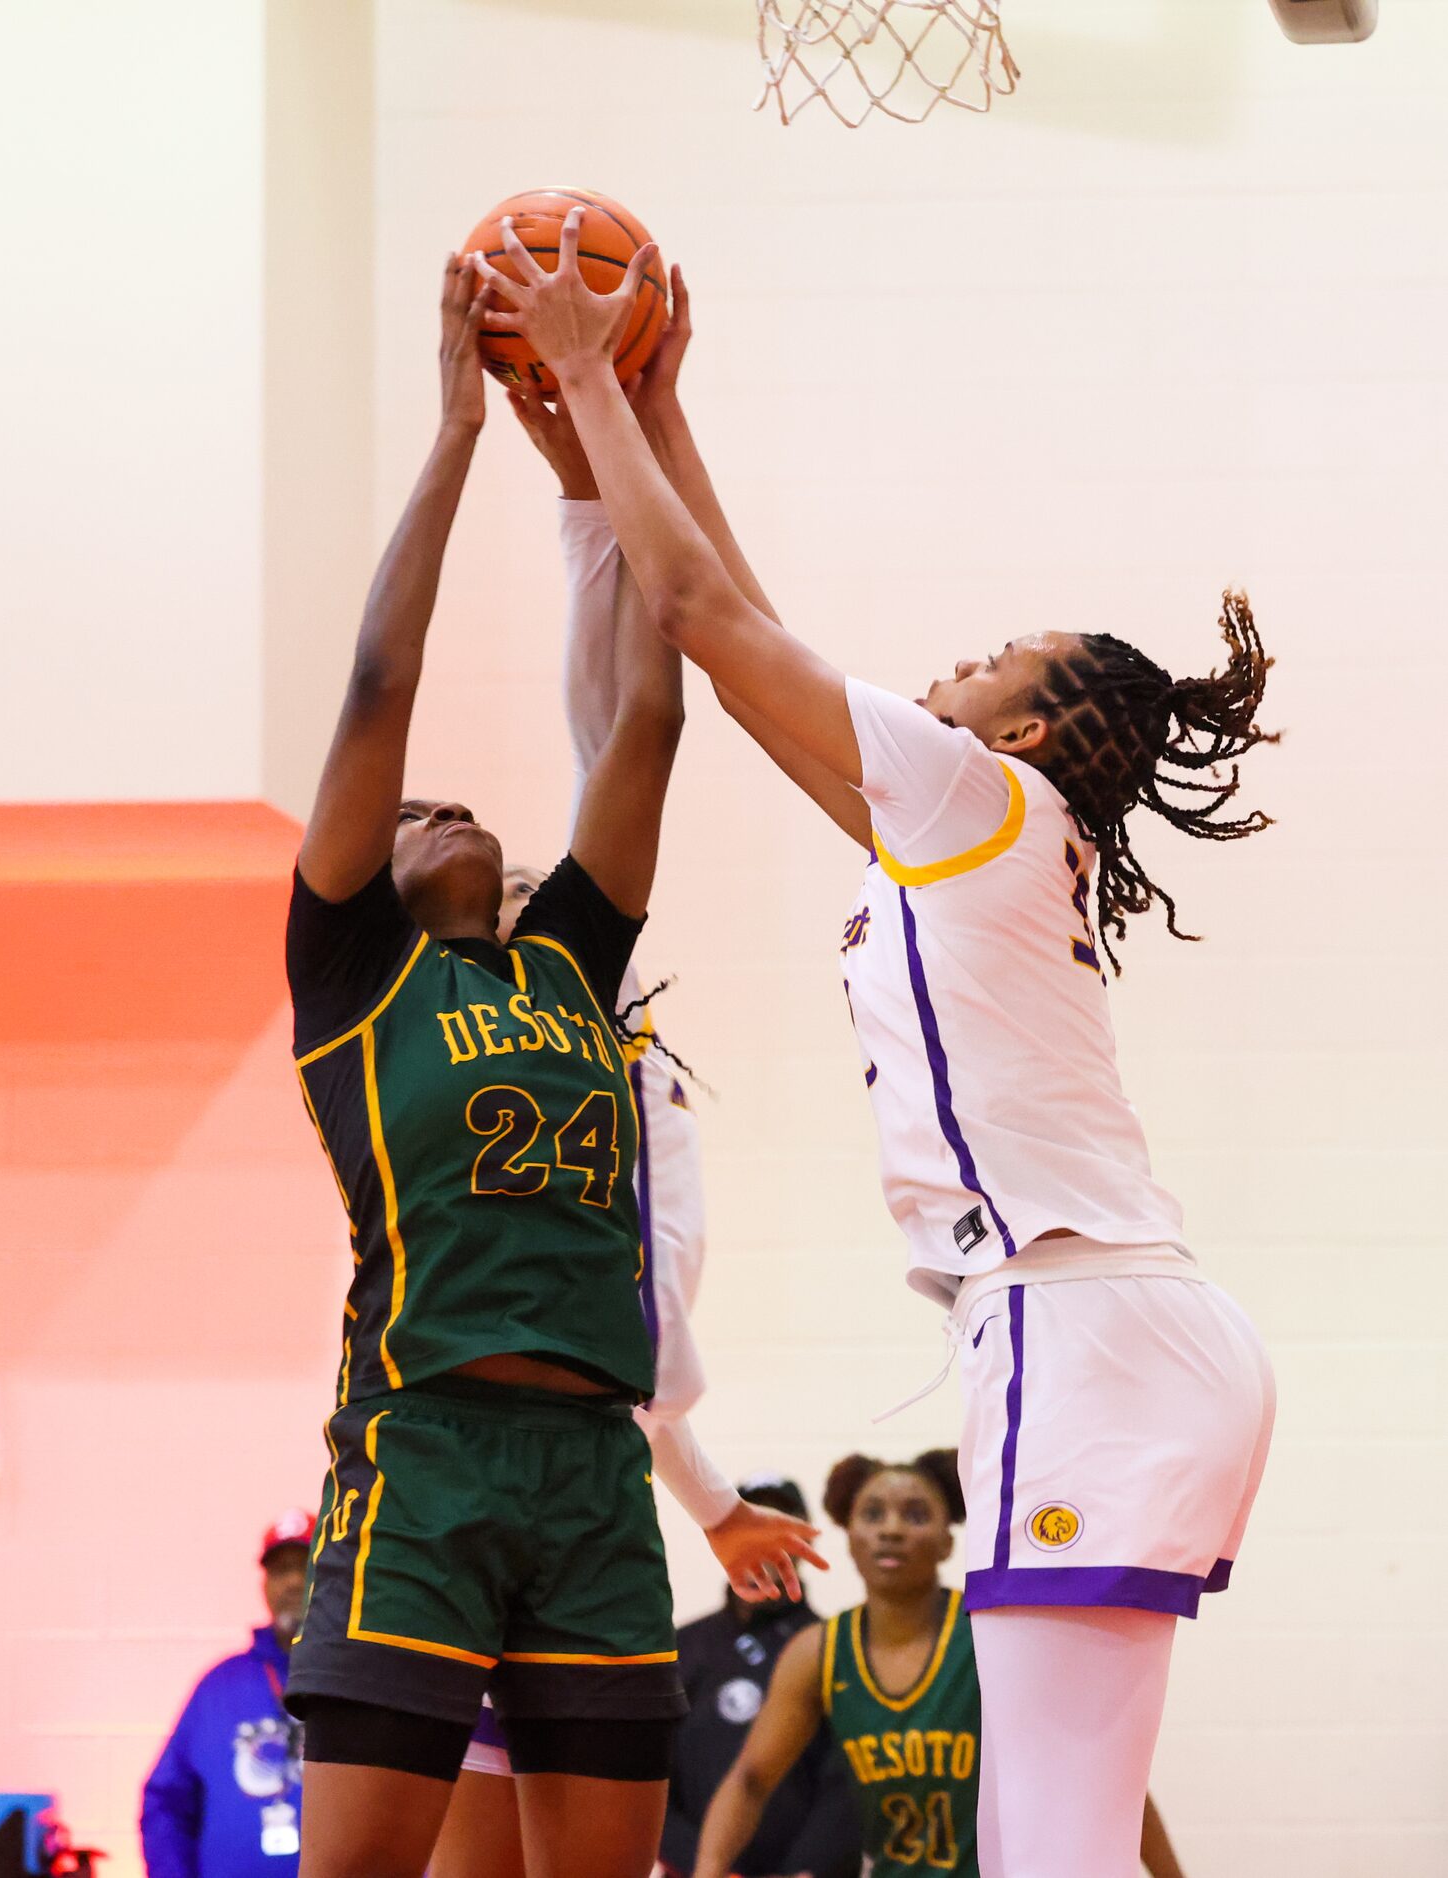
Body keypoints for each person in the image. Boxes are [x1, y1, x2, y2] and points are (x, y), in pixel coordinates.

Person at [478, 217, 1275, 1878]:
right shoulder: (960, 818)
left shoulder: (975, 794)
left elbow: (697, 609)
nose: (950, 665)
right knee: (1042, 1828)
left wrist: (578, 372)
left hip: (1079, 1326)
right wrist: (650, 403)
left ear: (1030, 727)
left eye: (990, 660)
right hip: (1114, 1327)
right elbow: (732, 620)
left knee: (1042, 1836)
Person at [283, 254, 821, 1878]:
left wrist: (605, 454)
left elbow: (646, 719)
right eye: (414, 813)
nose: (443, 809)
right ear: (373, 874)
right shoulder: (358, 986)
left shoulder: (569, 965)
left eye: (453, 802)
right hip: (422, 1455)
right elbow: (381, 680)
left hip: (591, 1470)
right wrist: (453, 434)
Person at [430, 351, 766, 1878]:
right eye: (502, 896)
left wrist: (585, 486)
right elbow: (605, 732)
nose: (529, 890)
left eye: (534, 883)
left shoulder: (610, 1036)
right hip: (471, 1477)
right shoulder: (439, 1052)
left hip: (580, 1471)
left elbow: (612, 736)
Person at [694, 1452, 1187, 1878]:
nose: (891, 1529)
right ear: (849, 1537)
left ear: (948, 1542)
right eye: (873, 1514)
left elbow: (1101, 1774)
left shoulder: (992, 1637)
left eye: (914, 1514)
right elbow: (750, 1780)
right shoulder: (819, 1651)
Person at [659, 1478, 859, 1878]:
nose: (765, 1536)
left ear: (806, 1537)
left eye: (782, 1520)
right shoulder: (680, 1647)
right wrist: (707, 1866)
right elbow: (650, 1776)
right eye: (752, 1520)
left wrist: (806, 1869)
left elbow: (847, 1781)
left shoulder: (836, 1650)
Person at [139, 1510, 314, 1878]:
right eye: (280, 1571)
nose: (293, 1582)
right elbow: (166, 1802)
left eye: (306, 1567)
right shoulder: (218, 1686)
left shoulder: (360, 1682)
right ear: (265, 1584)